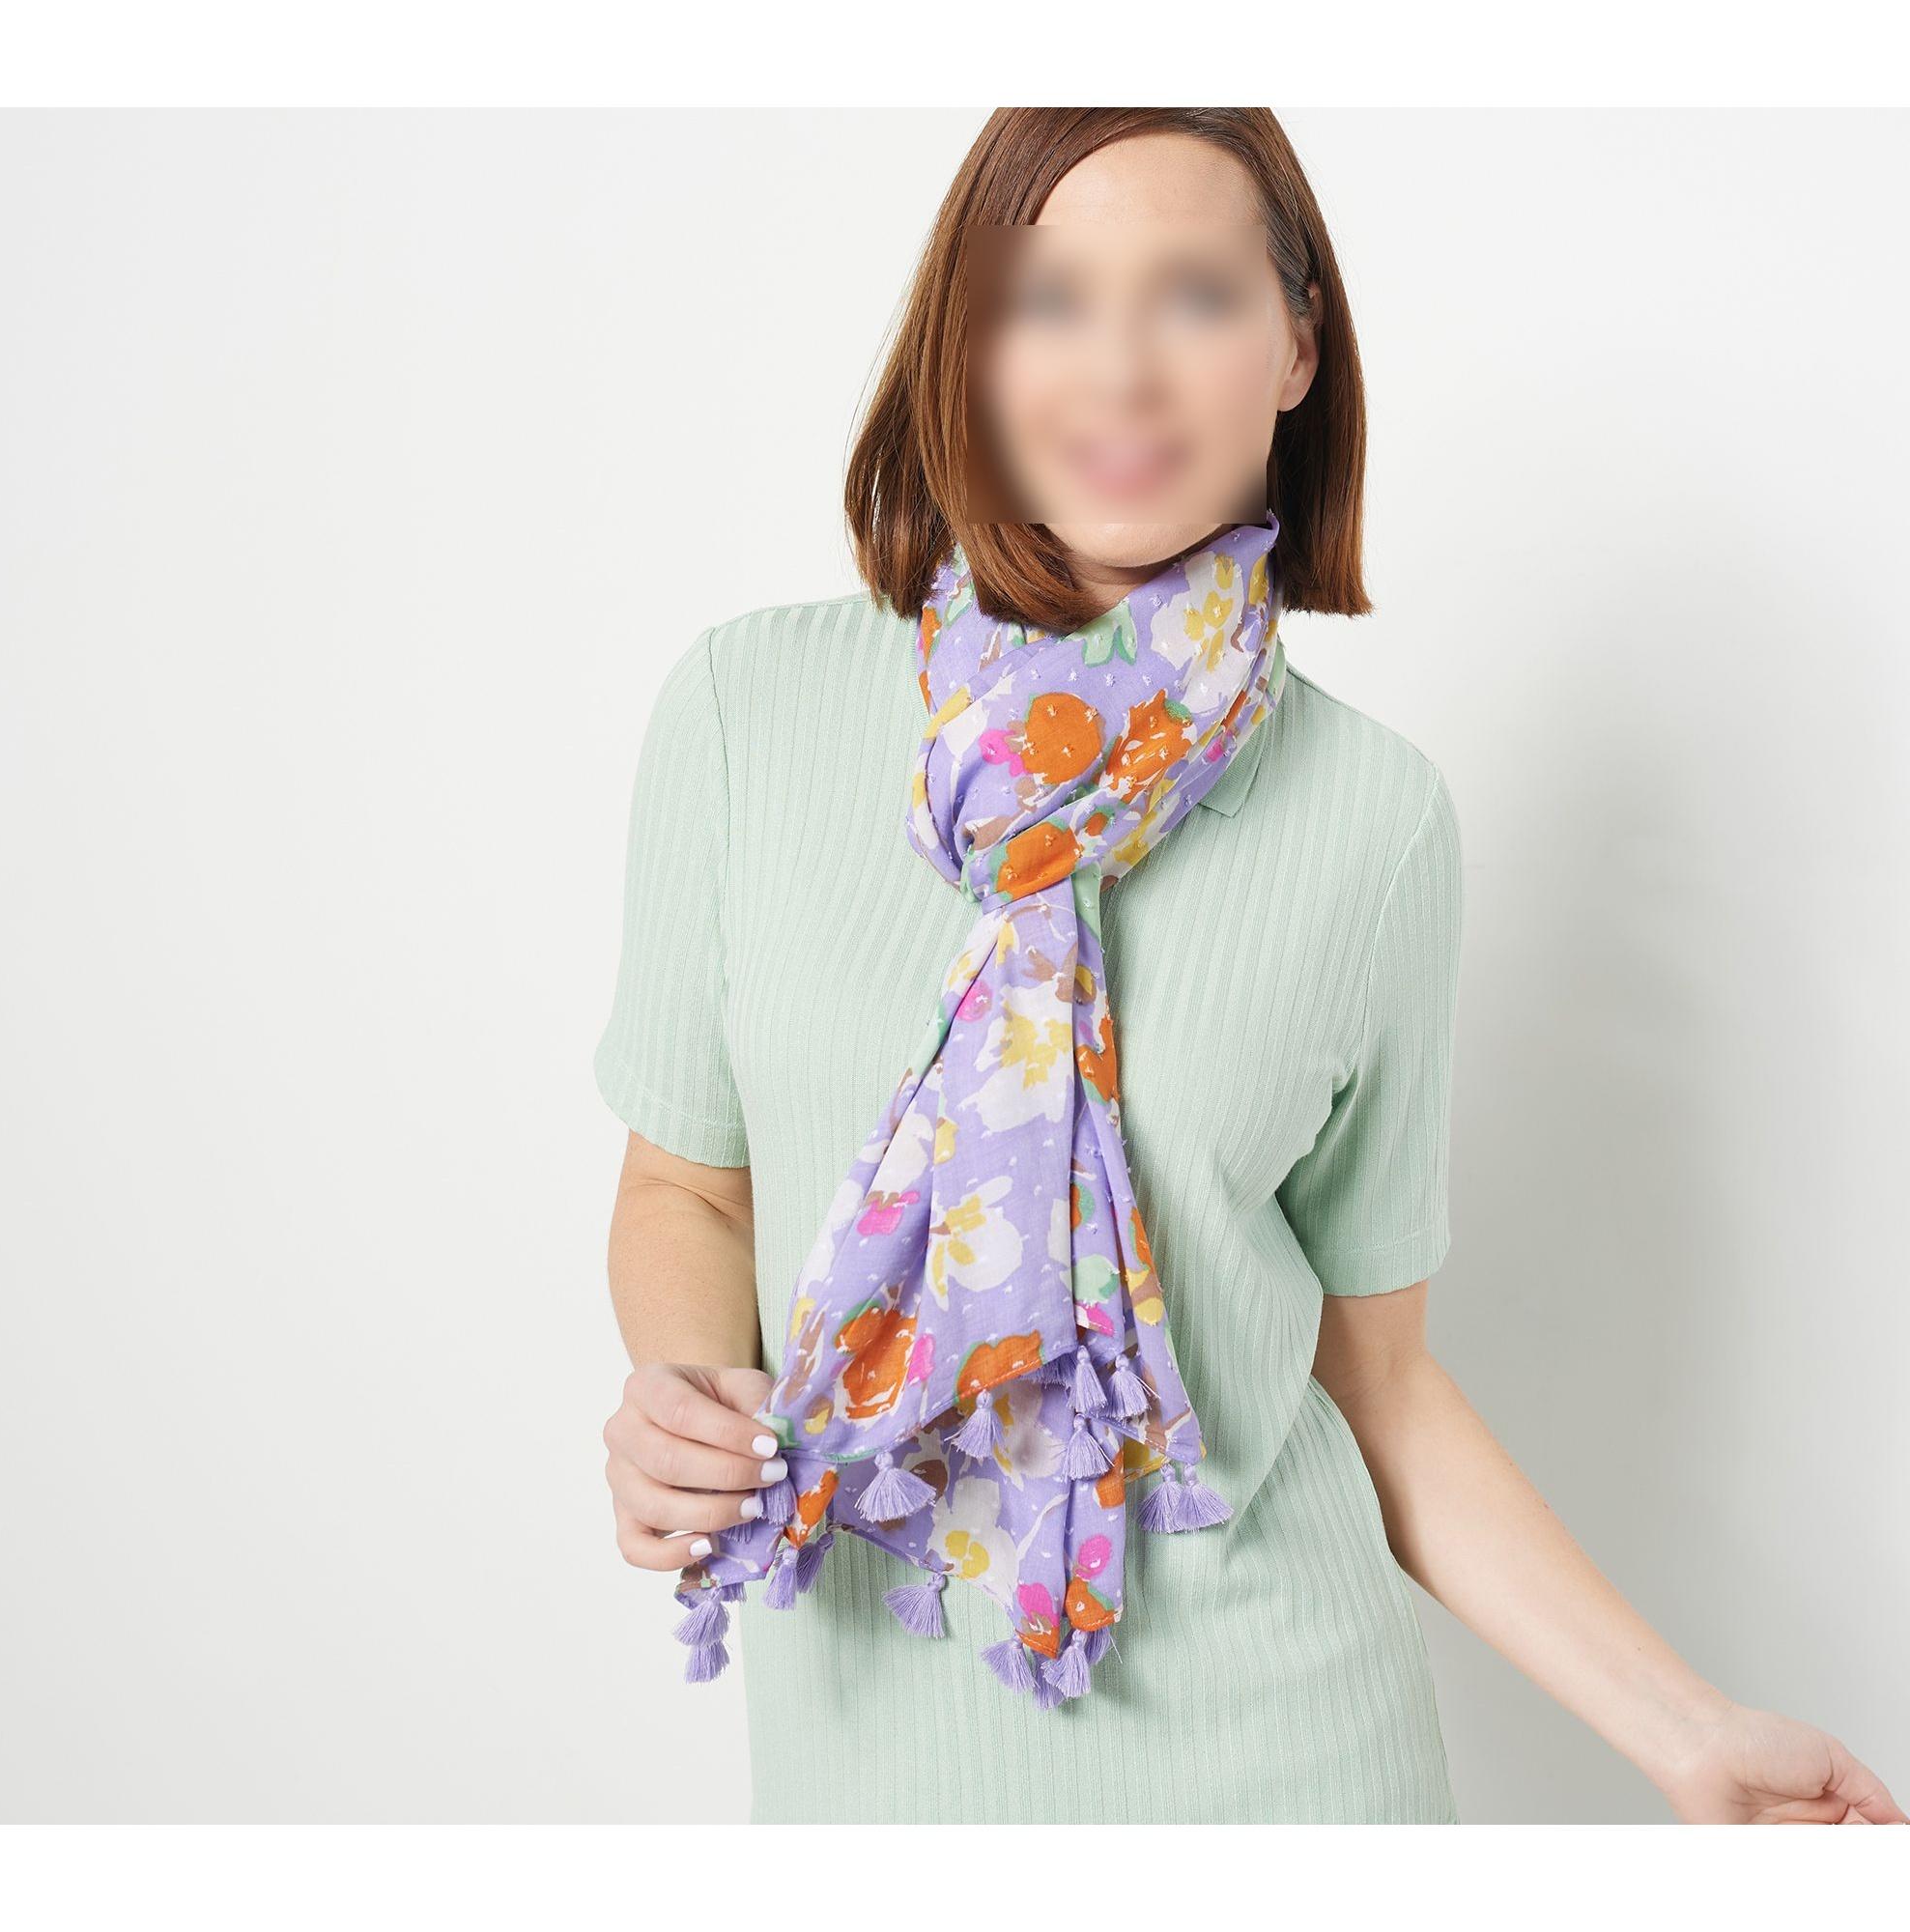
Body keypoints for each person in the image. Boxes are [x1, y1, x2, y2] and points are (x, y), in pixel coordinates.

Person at [593, 107, 1903, 1826]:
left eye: (1196, 297)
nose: (1121, 370)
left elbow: (1379, 1382)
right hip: (870, 1771)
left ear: (1295, 347)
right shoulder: (747, 714)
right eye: (1050, 299)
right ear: (966, 343)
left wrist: (1688, 1732)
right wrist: (687, 1392)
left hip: (1283, 1772)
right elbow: (688, 1186)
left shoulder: (1373, 821)